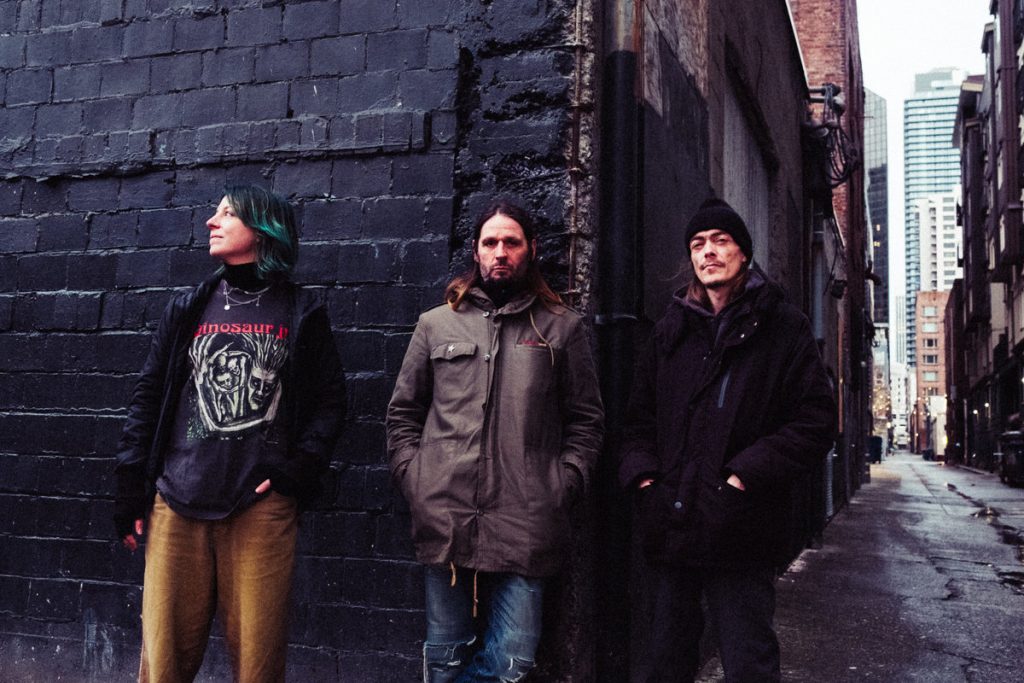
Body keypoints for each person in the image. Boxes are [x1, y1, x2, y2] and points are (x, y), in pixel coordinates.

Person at [113, 184, 346, 682]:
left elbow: (330, 403)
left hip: (258, 510)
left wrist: (299, 469)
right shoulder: (189, 307)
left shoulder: (301, 311)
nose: (211, 222)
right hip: (176, 501)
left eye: (227, 214)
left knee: (258, 665)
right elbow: (148, 395)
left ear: (262, 229)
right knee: (162, 664)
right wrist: (131, 482)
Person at [386, 200, 604, 682]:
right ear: (476, 251)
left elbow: (586, 421)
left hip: (527, 518)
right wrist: (415, 479)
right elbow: (403, 413)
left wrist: (563, 483)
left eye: (511, 242)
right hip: (444, 514)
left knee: (512, 662)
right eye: (490, 242)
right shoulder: (436, 324)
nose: (500, 252)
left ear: (532, 249)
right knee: (445, 658)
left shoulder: (561, 327)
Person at [619, 198, 835, 682]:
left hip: (741, 526)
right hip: (673, 523)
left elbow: (816, 421)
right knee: (665, 662)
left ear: (744, 252)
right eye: (698, 244)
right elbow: (637, 422)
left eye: (721, 241)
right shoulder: (671, 330)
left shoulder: (783, 327)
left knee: (748, 663)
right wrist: (647, 483)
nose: (708, 252)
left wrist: (744, 477)